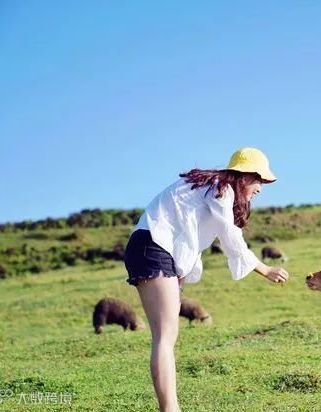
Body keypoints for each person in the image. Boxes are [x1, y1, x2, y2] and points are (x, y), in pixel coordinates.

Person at [123, 147, 289, 412]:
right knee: (165, 335)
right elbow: (230, 236)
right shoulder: (221, 189)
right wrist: (264, 269)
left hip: (150, 246)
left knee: (166, 335)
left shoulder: (211, 186)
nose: (261, 188)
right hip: (153, 246)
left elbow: (185, 231)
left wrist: (180, 276)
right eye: (260, 180)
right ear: (245, 175)